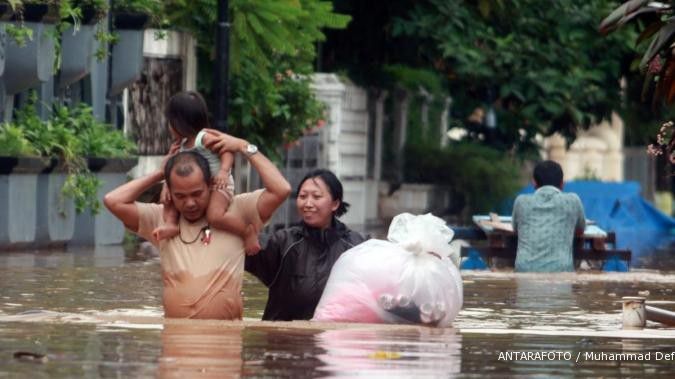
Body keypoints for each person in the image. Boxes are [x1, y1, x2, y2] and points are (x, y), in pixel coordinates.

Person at [103, 129, 291, 320]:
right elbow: (113, 201)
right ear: (169, 193)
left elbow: (281, 189)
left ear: (210, 185)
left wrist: (244, 147)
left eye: (197, 193)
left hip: (226, 343)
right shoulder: (163, 221)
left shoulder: (238, 212)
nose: (190, 203)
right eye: (180, 196)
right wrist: (160, 173)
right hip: (175, 342)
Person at [245, 169, 367, 321]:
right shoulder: (283, 243)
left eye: (316, 197)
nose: (308, 203)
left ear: (335, 204)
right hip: (284, 341)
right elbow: (237, 252)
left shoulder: (357, 247)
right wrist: (246, 234)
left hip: (336, 340)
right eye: (302, 196)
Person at [152, 91, 260, 254]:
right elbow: (172, 168)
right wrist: (166, 185)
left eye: (170, 121)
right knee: (168, 199)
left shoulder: (204, 138)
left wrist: (223, 171)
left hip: (218, 184)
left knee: (215, 217)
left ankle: (246, 231)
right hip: (197, 188)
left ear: (179, 121)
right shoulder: (181, 145)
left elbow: (226, 151)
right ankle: (171, 224)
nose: (168, 126)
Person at [511, 160, 586, 272]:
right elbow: (580, 230)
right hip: (560, 272)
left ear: (534, 183)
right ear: (562, 184)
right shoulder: (573, 201)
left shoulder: (521, 202)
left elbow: (516, 230)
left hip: (525, 271)